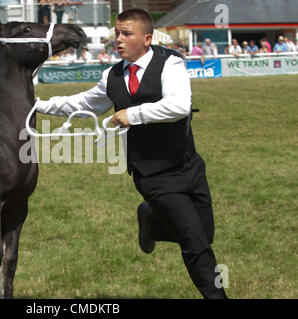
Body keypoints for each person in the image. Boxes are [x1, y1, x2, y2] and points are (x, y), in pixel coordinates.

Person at [35, 8, 228, 299]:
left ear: (147, 39)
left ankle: (150, 222)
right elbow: (81, 104)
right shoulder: (111, 76)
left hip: (189, 167)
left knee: (205, 235)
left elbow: (179, 106)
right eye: (117, 33)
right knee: (195, 244)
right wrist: (37, 104)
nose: (119, 40)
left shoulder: (170, 62)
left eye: (127, 34)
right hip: (153, 175)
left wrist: (132, 115)